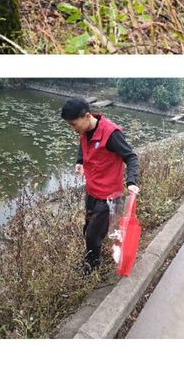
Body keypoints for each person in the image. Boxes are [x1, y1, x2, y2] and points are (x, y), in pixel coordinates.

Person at [60, 97, 140, 272]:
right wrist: (80, 160)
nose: (72, 129)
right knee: (87, 229)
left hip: (108, 196)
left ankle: (91, 266)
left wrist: (132, 181)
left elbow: (131, 157)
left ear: (87, 116)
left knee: (93, 234)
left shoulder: (111, 134)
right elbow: (83, 143)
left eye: (73, 124)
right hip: (92, 191)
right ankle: (92, 257)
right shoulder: (84, 130)